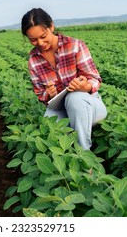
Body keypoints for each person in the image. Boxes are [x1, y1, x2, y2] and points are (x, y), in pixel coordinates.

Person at [21, 8, 107, 150]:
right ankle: (65, 156)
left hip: (89, 106)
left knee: (75, 98)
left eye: (43, 36)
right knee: (48, 124)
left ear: (51, 26)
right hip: (62, 108)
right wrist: (49, 93)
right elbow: (40, 94)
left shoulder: (75, 46)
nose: (40, 43)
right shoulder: (33, 60)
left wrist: (84, 86)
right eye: (33, 40)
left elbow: (94, 79)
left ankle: (84, 155)